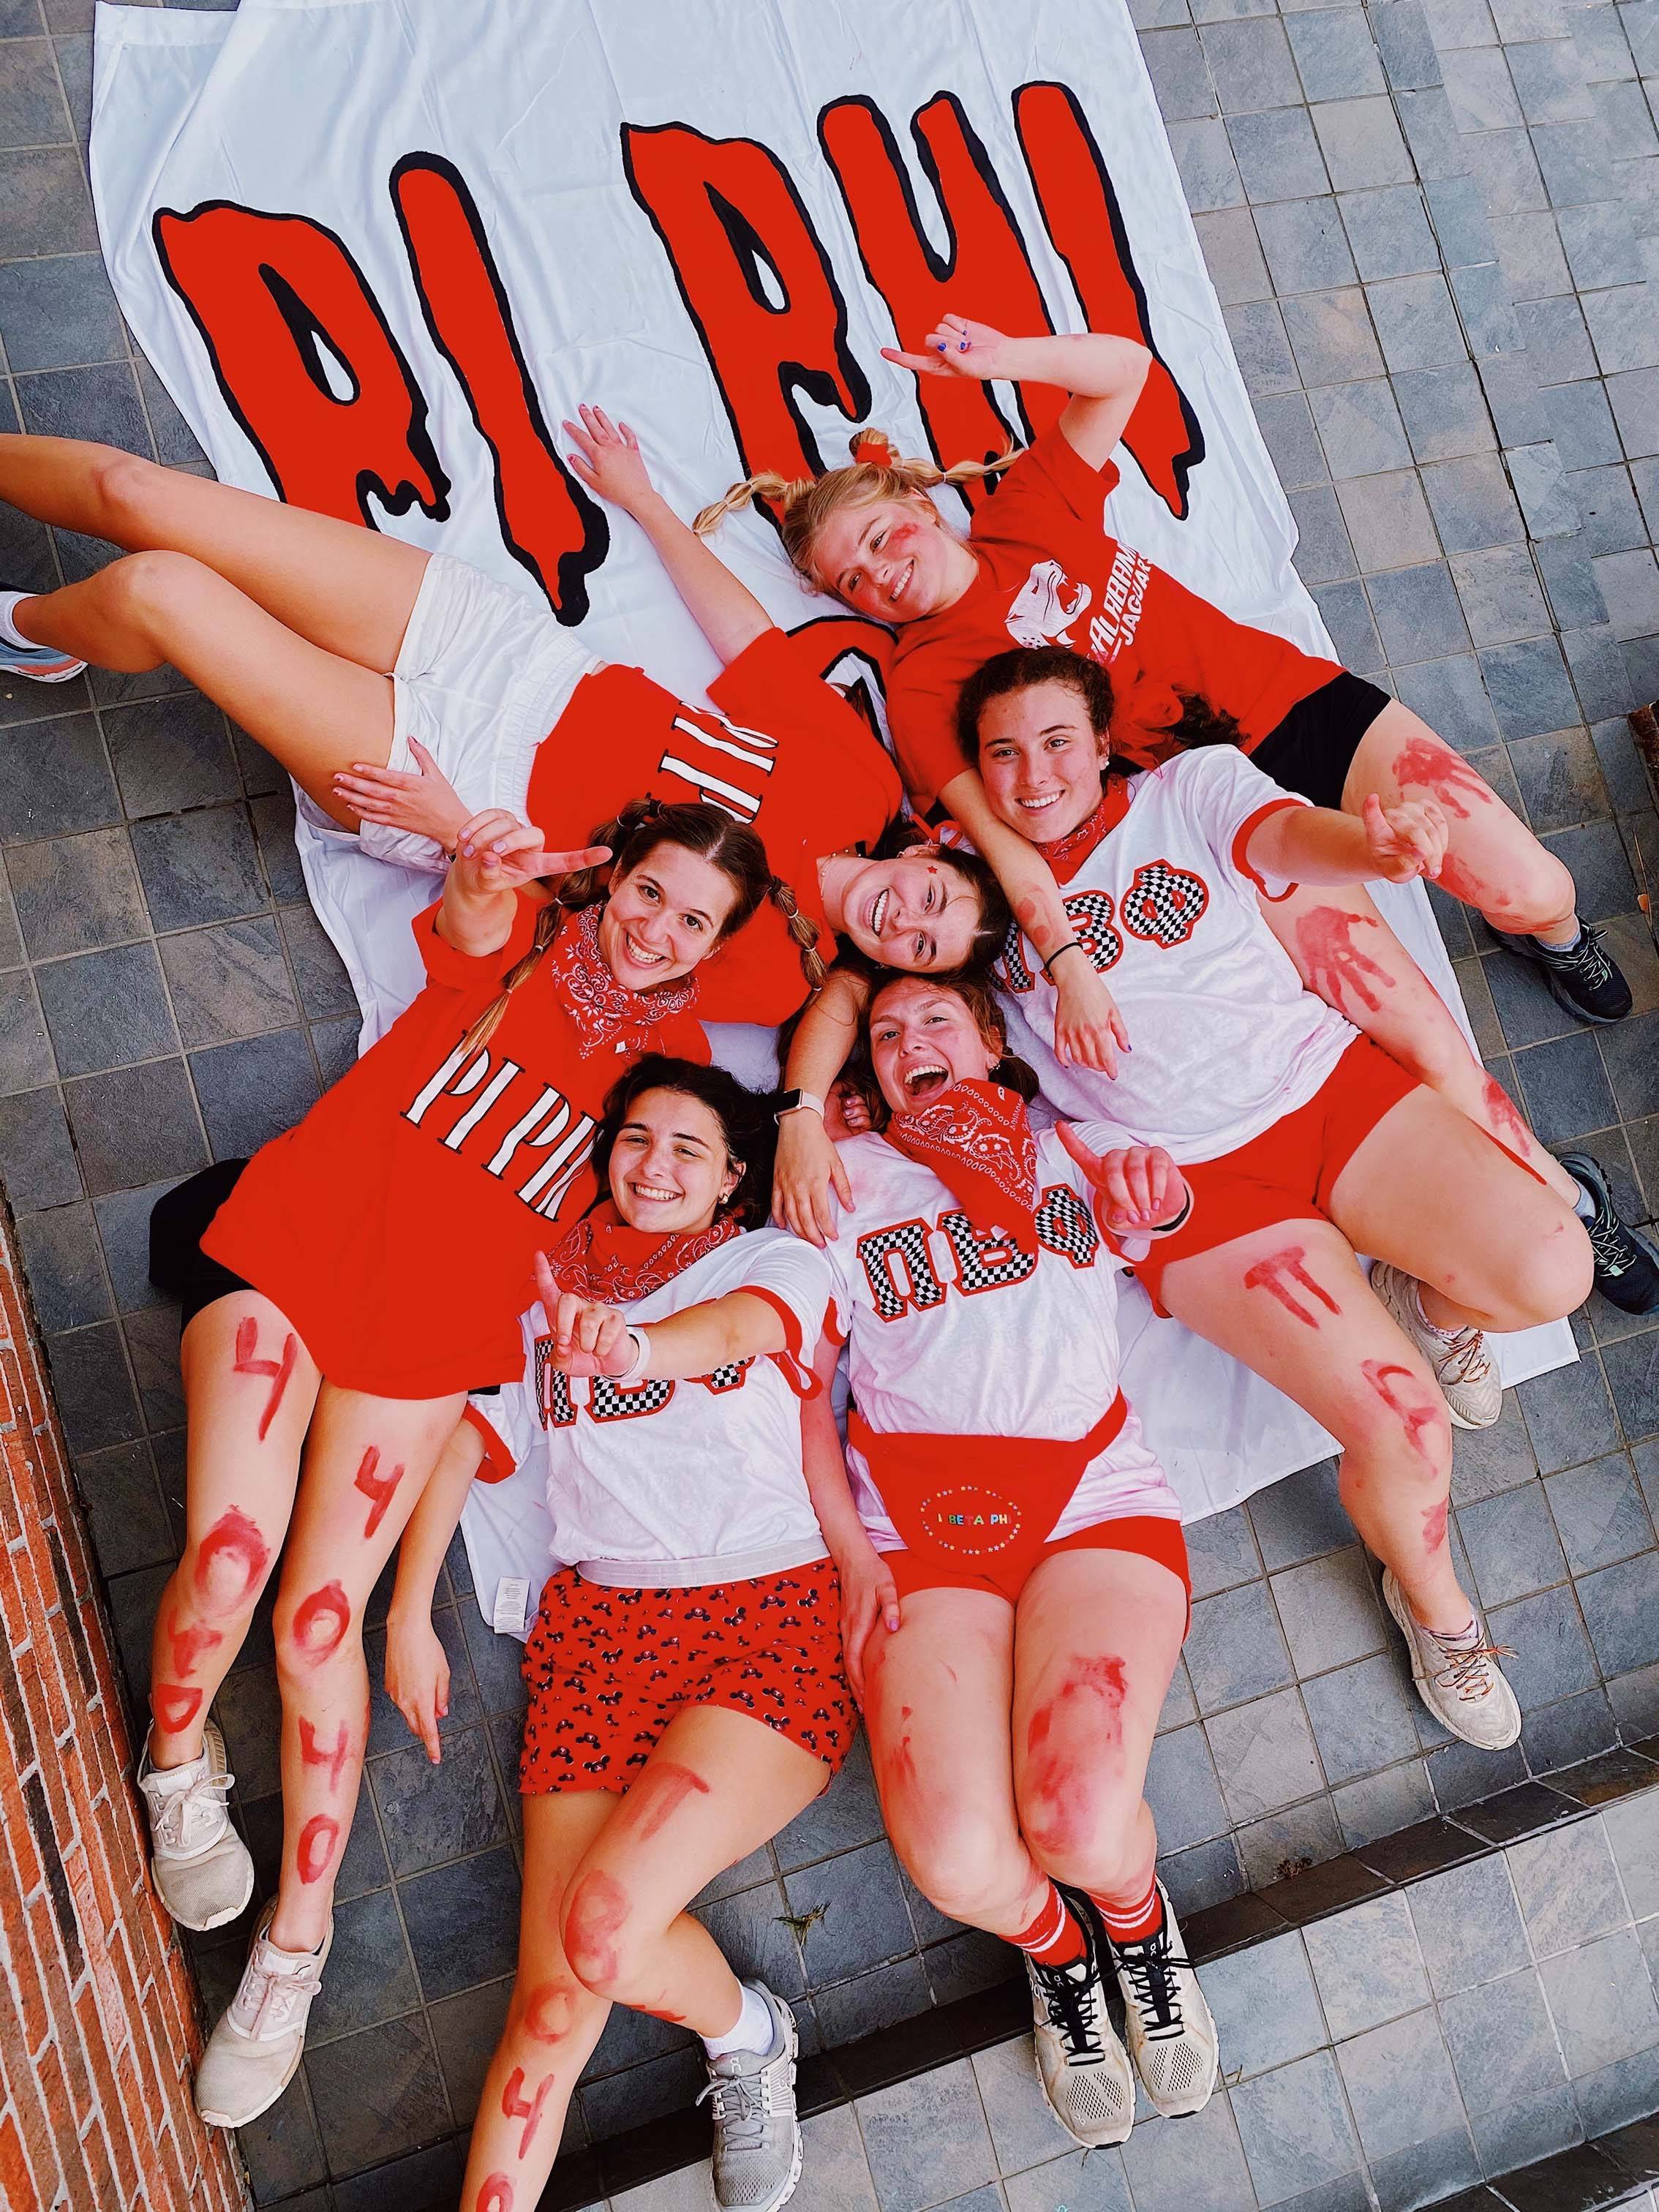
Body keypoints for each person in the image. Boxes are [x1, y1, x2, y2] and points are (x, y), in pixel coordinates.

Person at [138, 798, 767, 2130]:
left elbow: (660, 1211)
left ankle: (294, 1946)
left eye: (694, 920)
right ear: (613, 876)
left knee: (320, 1624)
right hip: (300, 1249)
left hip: (429, 1338)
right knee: (231, 1560)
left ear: (720, 945)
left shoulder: (679, 1079)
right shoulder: (521, 937)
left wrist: (796, 1125)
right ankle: (176, 1760)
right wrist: (480, 866)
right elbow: (473, 915)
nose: (659, 929)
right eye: (649, 891)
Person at [917, 647, 1595, 1747]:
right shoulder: (962, 884)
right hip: (1194, 1185)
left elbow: (1287, 841)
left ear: (1102, 742)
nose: (1035, 774)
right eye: (1004, 753)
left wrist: (1371, 845)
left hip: (1324, 1088)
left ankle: (1428, 1307)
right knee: (1407, 1425)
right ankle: (1440, 1614)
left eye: (1057, 742)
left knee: (1555, 1269)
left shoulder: (1189, 788)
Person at [694, 314, 1633, 1047]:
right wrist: (1065, 958)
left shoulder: (1027, 513)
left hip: (1296, 709)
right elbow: (1000, 839)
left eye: (877, 538)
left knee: (1534, 887)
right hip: (1199, 817)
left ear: (920, 504)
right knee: (1385, 1020)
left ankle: (1548, 936)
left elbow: (1124, 372)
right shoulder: (921, 686)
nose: (878, 574)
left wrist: (1008, 359)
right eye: (852, 582)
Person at [0, 430, 1004, 1024]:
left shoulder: (783, 974)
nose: (905, 920)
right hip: (520, 662)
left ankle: (32, 633)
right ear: (935, 857)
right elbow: (750, 647)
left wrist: (457, 834)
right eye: (935, 901)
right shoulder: (866, 783)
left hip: (462, 788)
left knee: (159, 592)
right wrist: (646, 502)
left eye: (921, 949)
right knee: (134, 493)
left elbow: (588, 959)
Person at [386, 1057, 850, 2212]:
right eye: (638, 1138)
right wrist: (406, 1612)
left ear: (733, 1178)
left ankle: (749, 2035)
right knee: (551, 2009)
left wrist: (633, 1350)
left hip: (763, 1621)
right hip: (599, 1636)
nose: (655, 1166)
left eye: (689, 1150)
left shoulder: (772, 1262)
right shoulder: (545, 1289)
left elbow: (734, 1332)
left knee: (602, 1931)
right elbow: (467, 1442)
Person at [797, 968, 1216, 2148]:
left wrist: (1162, 1197)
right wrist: (849, 1551)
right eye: (886, 1034)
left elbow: (1165, 1221)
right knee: (954, 1857)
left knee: (1076, 1818)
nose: (908, 1040)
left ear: (990, 1039)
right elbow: (802, 1394)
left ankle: (1135, 1924)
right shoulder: (839, 1181)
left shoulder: (1068, 1144)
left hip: (1089, 1503)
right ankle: (1060, 1949)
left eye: (936, 1017)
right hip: (913, 1532)